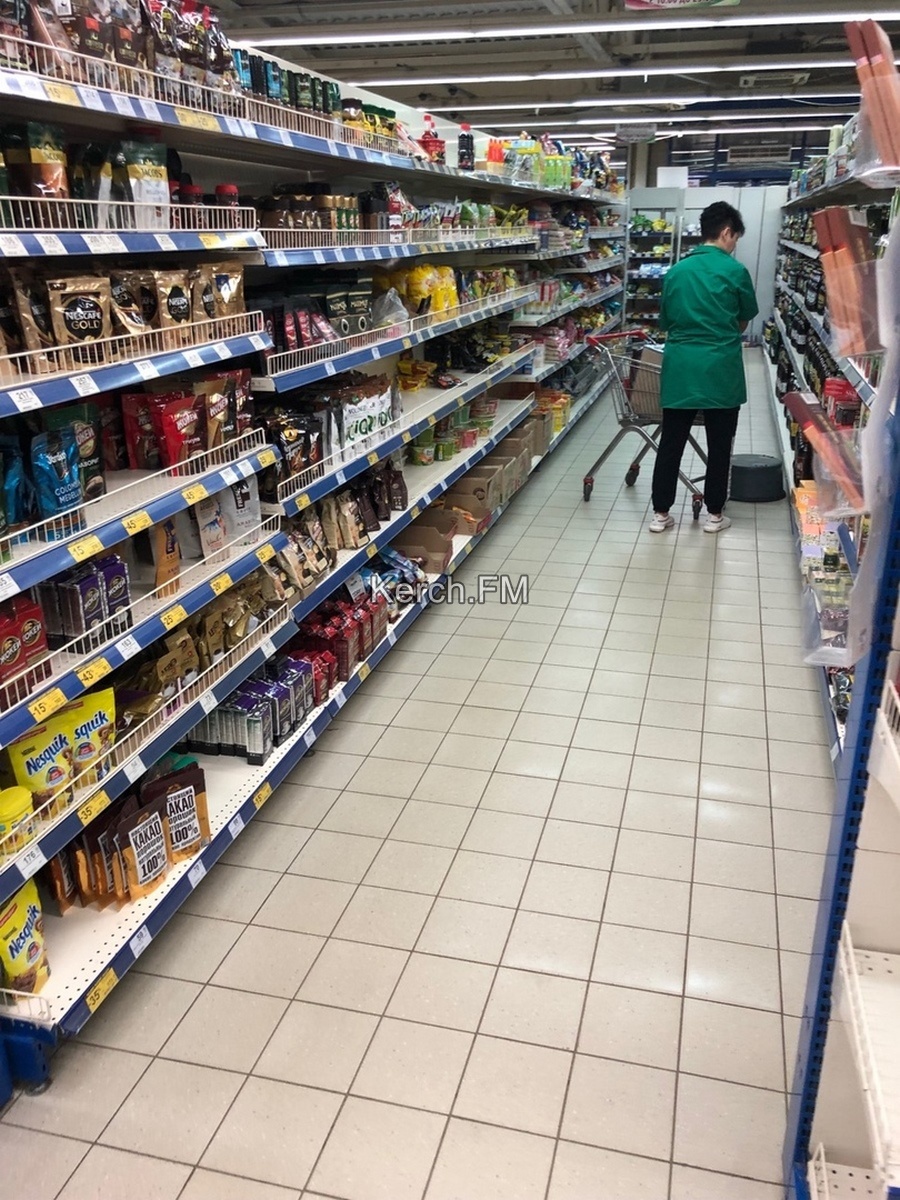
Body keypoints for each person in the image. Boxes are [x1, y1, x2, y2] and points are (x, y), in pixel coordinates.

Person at [648, 200, 759, 534]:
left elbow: (666, 321)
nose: (734, 244)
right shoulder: (735, 271)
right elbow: (743, 319)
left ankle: (661, 514)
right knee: (720, 445)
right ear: (726, 232)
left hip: (681, 368)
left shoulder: (676, 271)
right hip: (720, 368)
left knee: (671, 443)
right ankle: (714, 515)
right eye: (735, 237)